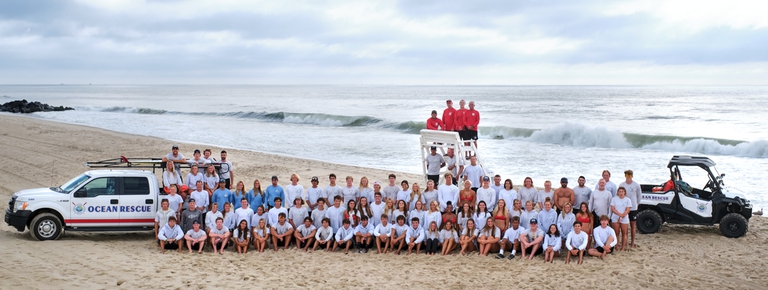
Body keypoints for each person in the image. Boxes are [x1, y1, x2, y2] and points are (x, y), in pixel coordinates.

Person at [619, 170, 642, 248]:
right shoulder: (622, 185)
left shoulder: (636, 185)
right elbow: (619, 195)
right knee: (623, 225)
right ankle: (624, 243)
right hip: (623, 208)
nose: (628, 177)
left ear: (632, 176)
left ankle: (632, 243)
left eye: (630, 176)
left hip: (633, 208)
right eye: (627, 175)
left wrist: (635, 204)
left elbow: (639, 197)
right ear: (625, 176)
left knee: (633, 225)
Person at [611, 187, 632, 251]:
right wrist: (619, 215)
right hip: (615, 217)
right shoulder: (614, 199)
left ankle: (623, 248)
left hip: (624, 217)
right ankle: (616, 246)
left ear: (624, 192)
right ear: (617, 192)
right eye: (619, 191)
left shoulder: (627, 199)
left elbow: (628, 209)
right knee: (616, 233)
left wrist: (622, 216)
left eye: (622, 191)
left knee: (624, 233)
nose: (621, 193)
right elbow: (613, 209)